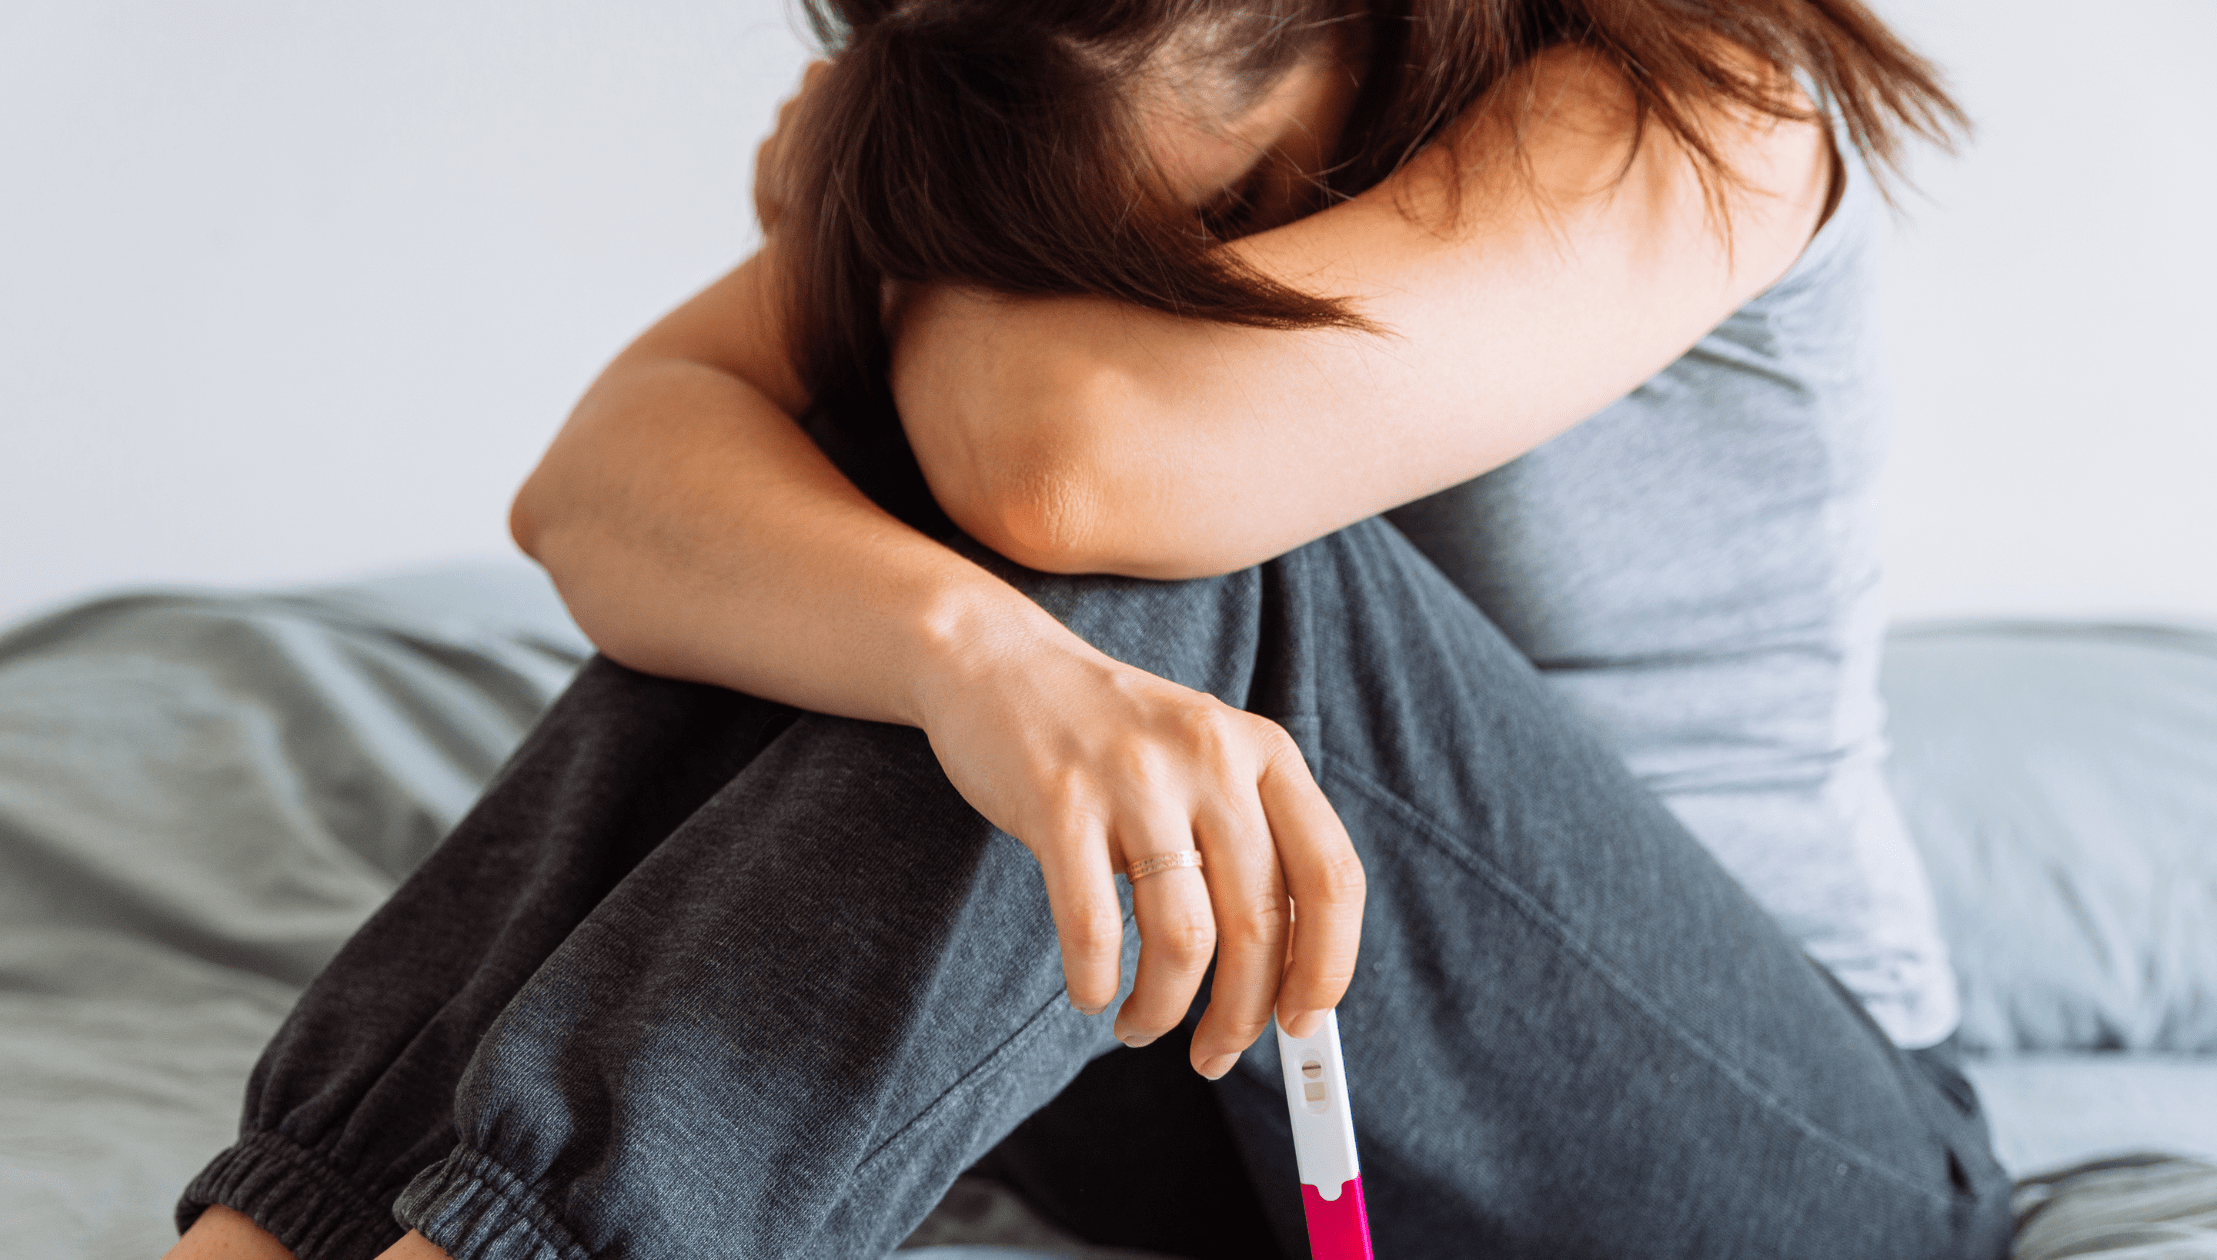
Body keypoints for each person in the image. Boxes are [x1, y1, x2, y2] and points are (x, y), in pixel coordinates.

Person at [166, 0, 2015, 1255]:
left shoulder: (1704, 95)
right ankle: (298, 1219)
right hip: (1209, 1080)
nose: (1155, 282)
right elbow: (598, 485)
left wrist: (873, 252)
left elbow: (1075, 476)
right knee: (838, 563)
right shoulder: (1036, 70)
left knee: (1157, 560)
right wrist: (973, 666)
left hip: (1762, 1149)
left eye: (1204, 230)